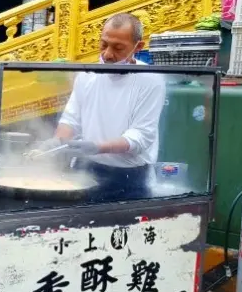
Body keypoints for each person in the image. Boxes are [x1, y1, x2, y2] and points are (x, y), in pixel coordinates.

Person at [37, 13, 165, 202]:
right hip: (87, 169)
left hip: (129, 177)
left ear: (138, 47)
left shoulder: (151, 80)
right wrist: (57, 142)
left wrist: (97, 146)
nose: (107, 54)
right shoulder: (88, 75)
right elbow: (71, 119)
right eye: (104, 45)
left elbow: (141, 136)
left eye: (118, 48)